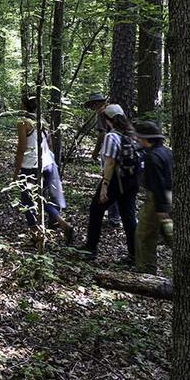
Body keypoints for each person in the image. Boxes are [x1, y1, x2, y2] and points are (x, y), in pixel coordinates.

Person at [81, 104, 140, 265]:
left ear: (108, 120)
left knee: (96, 210)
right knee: (128, 217)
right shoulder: (132, 135)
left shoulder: (111, 137)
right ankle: (134, 255)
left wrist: (105, 186)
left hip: (115, 180)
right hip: (131, 181)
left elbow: (110, 163)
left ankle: (91, 249)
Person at [13, 95, 73, 244]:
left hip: (31, 166)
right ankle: (62, 224)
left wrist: (16, 172)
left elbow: (21, 148)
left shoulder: (23, 122)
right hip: (48, 164)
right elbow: (50, 145)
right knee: (40, 198)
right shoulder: (43, 121)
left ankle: (37, 234)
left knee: (27, 201)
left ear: (24, 105)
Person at [134, 121, 173, 275]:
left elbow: (158, 182)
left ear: (145, 138)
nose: (137, 139)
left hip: (158, 198)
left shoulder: (152, 157)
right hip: (171, 196)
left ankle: (146, 271)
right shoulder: (167, 152)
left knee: (144, 235)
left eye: (139, 137)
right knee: (169, 234)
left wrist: (161, 207)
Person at [85, 92, 121, 228]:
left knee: (109, 181)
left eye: (94, 104)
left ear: (99, 102)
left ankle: (114, 217)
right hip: (119, 151)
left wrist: (95, 152)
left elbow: (102, 134)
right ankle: (118, 216)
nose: (94, 107)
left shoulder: (103, 113)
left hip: (109, 151)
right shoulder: (115, 110)